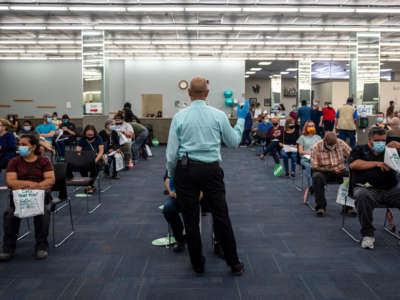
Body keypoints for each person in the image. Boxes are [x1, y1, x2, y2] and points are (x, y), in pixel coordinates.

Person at [166, 77, 246, 276]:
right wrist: (242, 119)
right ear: (208, 93)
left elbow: (171, 153)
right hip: (211, 170)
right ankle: (234, 262)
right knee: (221, 216)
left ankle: (197, 265)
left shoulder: (179, 117)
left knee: (190, 219)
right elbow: (234, 142)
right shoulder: (218, 115)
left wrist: (172, 175)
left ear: (189, 93)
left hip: (186, 170)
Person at [0, 134, 55, 261]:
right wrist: (30, 184)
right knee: (9, 214)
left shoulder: (44, 161)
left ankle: (41, 247)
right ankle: (8, 249)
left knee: (43, 214)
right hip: (18, 196)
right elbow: (10, 182)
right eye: (19, 144)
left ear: (33, 147)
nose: (20, 147)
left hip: (40, 195)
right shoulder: (14, 161)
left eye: (24, 145)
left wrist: (35, 187)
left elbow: (50, 180)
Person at [349, 127, 400, 249]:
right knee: (362, 195)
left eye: (383, 140)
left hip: (390, 190)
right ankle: (368, 234)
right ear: (370, 139)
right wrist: (377, 164)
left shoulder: (390, 150)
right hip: (367, 189)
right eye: (377, 140)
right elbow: (353, 164)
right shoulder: (359, 149)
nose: (381, 143)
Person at [311, 132, 352, 217]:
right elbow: (314, 167)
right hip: (323, 171)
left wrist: (352, 161)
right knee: (317, 177)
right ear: (324, 141)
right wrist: (330, 170)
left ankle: (348, 207)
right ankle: (320, 207)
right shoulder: (316, 147)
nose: (332, 146)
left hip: (339, 169)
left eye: (334, 144)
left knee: (349, 176)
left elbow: (352, 154)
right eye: (330, 145)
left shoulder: (340, 142)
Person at [68, 125, 104, 194]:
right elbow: (78, 152)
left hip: (97, 158)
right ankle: (88, 184)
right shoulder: (82, 140)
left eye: (91, 135)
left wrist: (95, 160)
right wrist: (81, 159)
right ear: (85, 134)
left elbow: (101, 152)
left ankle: (89, 185)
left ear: (94, 133)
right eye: (88, 135)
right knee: (81, 165)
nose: (89, 136)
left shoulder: (98, 138)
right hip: (85, 159)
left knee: (95, 166)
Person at [297, 121, 321, 203]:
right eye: (309, 126)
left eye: (313, 126)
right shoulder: (302, 137)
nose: (311, 127)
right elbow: (300, 151)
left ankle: (318, 184)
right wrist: (309, 153)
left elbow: (321, 149)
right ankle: (311, 186)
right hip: (305, 157)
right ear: (306, 128)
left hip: (316, 158)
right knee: (308, 165)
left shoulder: (318, 137)